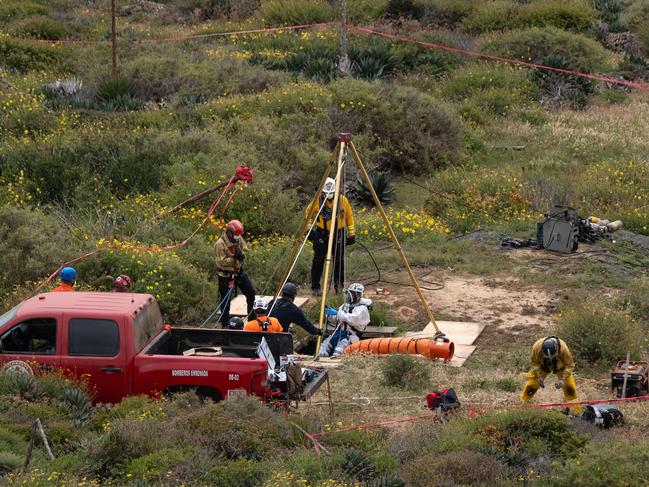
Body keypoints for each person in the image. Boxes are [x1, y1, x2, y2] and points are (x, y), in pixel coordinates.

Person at [306, 177, 356, 295]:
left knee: (339, 261)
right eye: (327, 192)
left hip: (338, 233)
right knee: (318, 261)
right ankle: (315, 287)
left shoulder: (343, 201)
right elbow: (308, 214)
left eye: (332, 192)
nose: (330, 195)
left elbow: (349, 217)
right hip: (321, 234)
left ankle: (339, 286)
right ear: (323, 191)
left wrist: (351, 234)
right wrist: (309, 230)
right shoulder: (317, 201)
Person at [521, 336, 582, 414]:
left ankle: (576, 412)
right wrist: (539, 376)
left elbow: (569, 365)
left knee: (570, 389)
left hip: (561, 367)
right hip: (543, 367)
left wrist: (563, 380)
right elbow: (534, 363)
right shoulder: (537, 347)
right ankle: (523, 407)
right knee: (531, 387)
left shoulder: (563, 349)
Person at [215, 219, 256, 327]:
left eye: (239, 235)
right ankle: (225, 324)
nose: (238, 237)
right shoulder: (220, 244)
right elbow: (221, 261)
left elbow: (245, 249)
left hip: (238, 272)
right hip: (226, 275)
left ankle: (252, 320)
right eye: (236, 235)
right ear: (229, 232)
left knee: (251, 293)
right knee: (225, 301)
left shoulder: (238, 238)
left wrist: (241, 254)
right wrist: (233, 258)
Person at [320, 283, 371, 357]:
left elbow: (353, 319)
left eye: (354, 294)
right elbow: (339, 319)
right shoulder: (345, 306)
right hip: (338, 333)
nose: (351, 296)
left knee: (339, 351)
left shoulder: (363, 308)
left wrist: (337, 313)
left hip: (351, 336)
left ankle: (335, 364)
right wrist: (329, 315)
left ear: (359, 295)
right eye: (351, 293)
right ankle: (321, 361)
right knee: (323, 348)